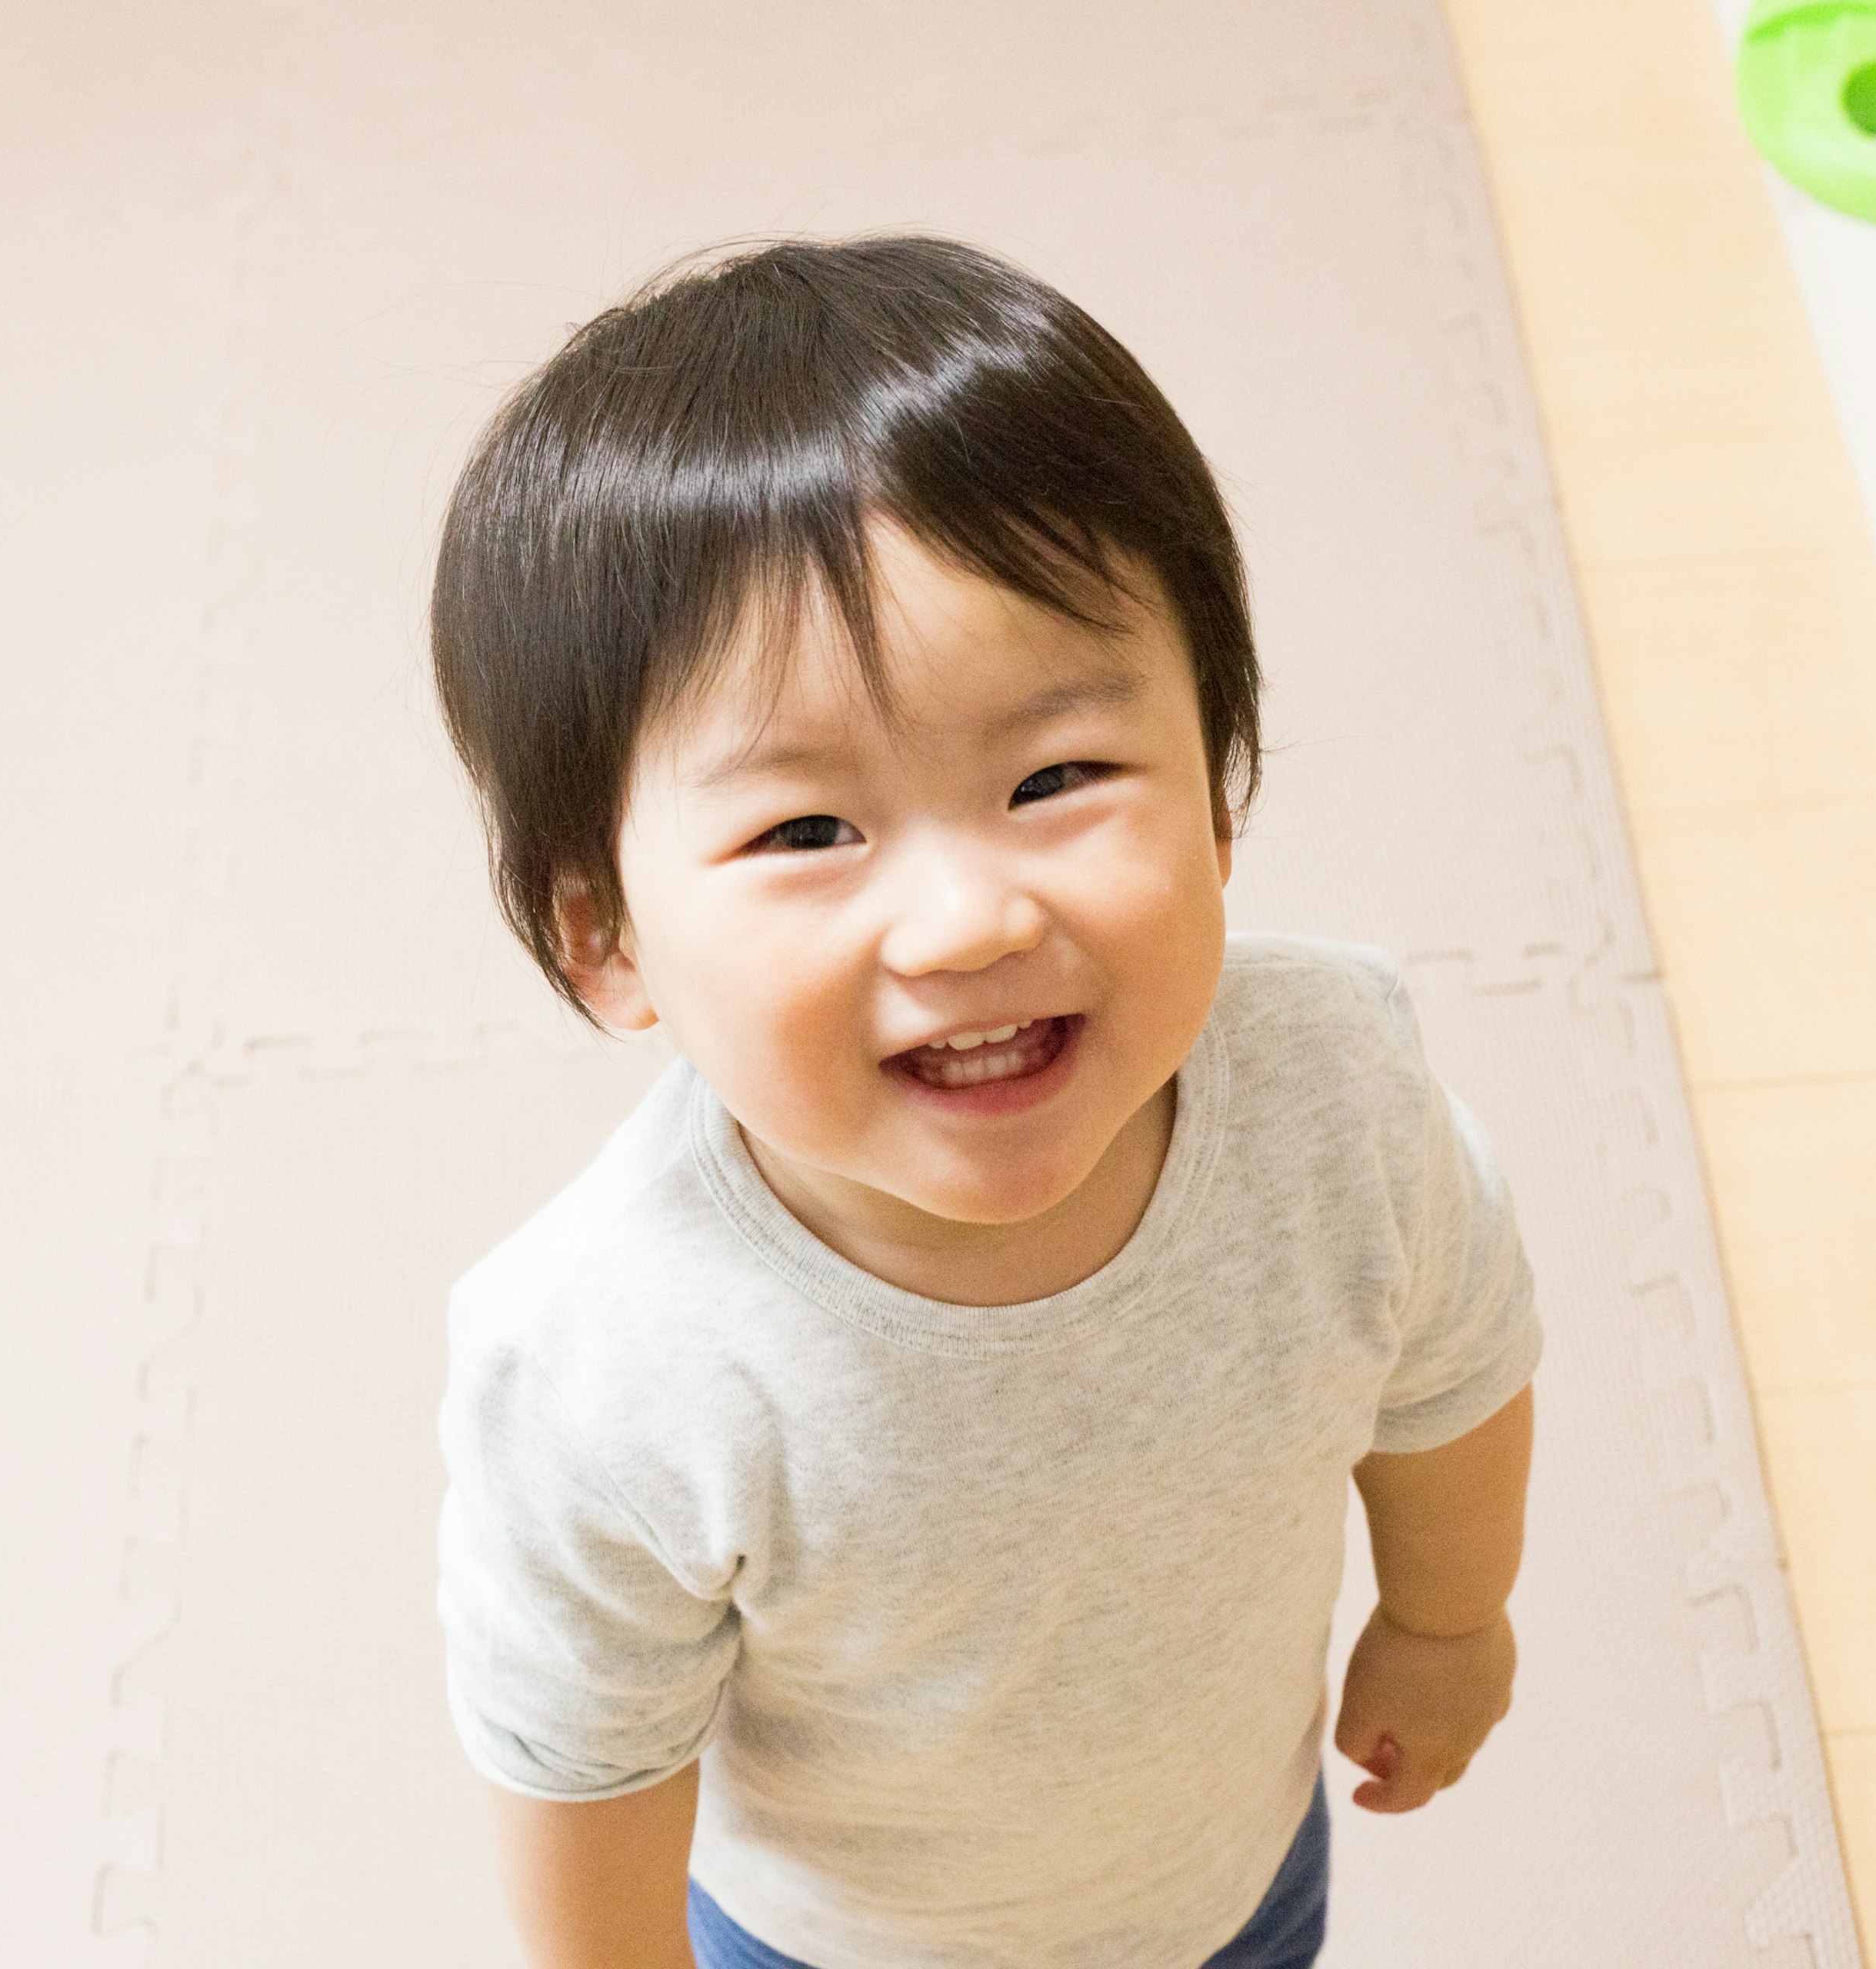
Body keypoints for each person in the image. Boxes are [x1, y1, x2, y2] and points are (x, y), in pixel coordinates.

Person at [428, 233, 1540, 1969]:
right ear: (606, 933)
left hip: (1233, 1883)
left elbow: (1454, 1366)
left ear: (1221, 795)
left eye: (1059, 777)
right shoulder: (609, 1356)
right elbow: (582, 1764)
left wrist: (1448, 1619)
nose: (969, 919)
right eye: (808, 830)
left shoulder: (1336, 1087)